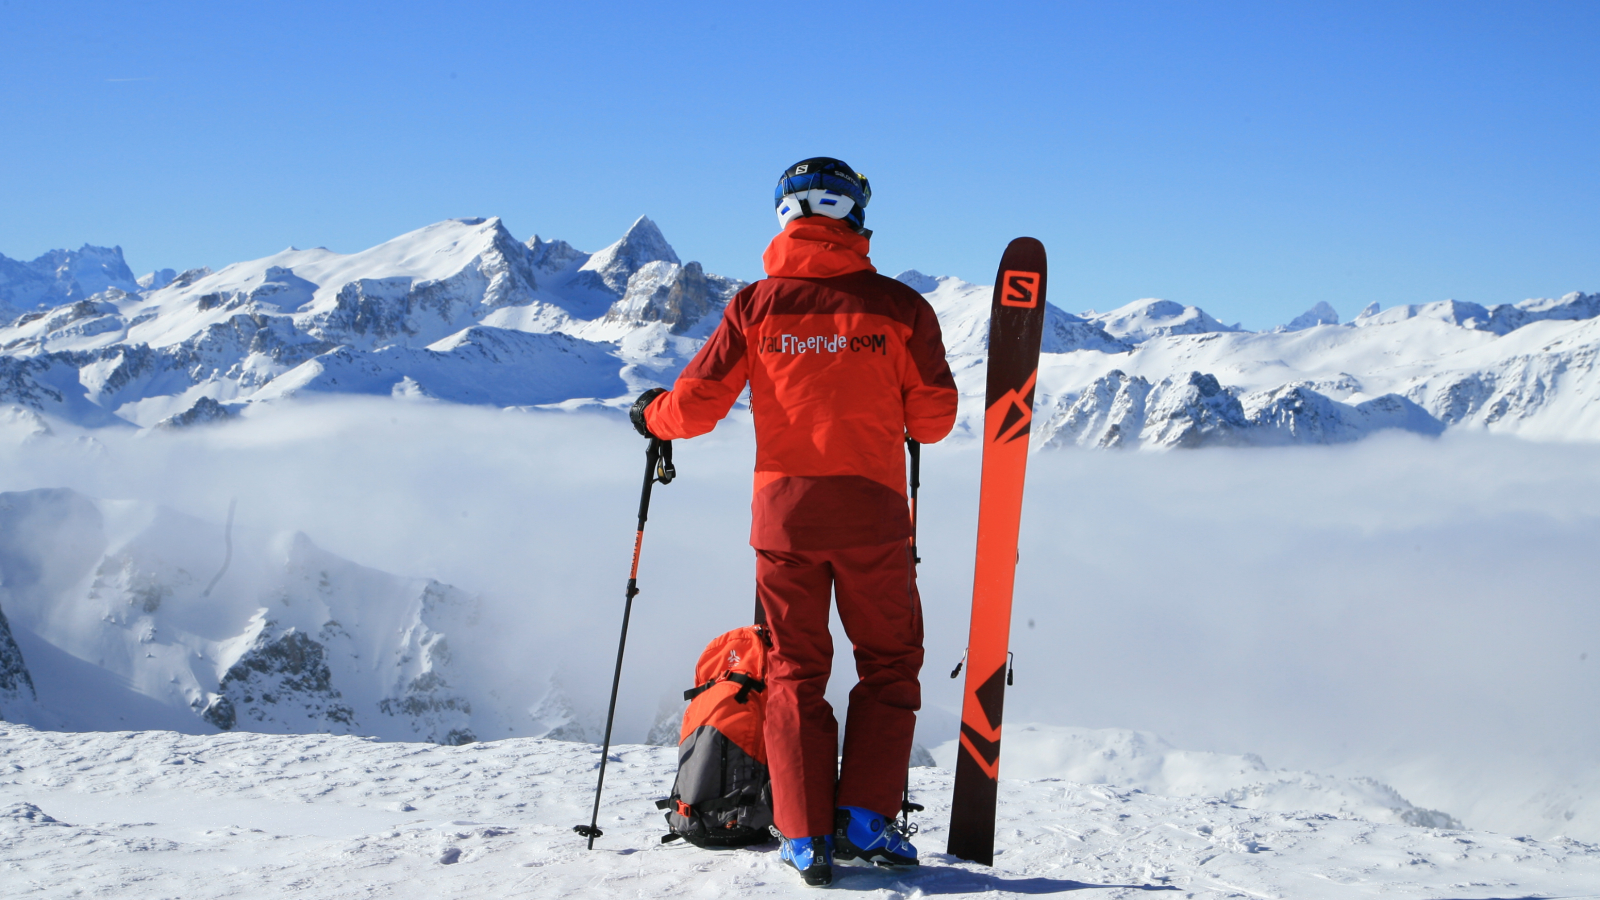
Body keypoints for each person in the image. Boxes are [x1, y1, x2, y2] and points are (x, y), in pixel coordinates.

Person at [630, 157, 958, 886]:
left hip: (783, 524)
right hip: (873, 517)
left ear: (785, 215)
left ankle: (804, 834)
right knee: (890, 663)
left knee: (793, 672)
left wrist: (649, 413)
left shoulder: (755, 306)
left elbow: (696, 406)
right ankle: (867, 820)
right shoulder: (901, 309)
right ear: (852, 214)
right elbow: (934, 421)